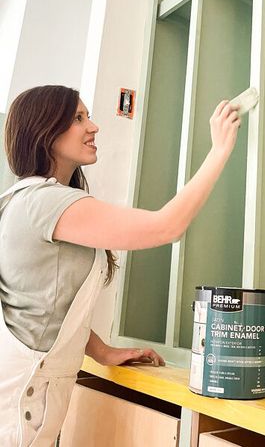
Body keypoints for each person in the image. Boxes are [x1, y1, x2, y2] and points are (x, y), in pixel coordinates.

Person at [0, 84, 241, 447]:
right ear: (45, 131)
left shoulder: (29, 201)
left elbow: (44, 309)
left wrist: (101, 351)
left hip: (31, 398)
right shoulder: (45, 203)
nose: (93, 126)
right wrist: (220, 149)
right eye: (78, 118)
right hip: (18, 404)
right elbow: (166, 227)